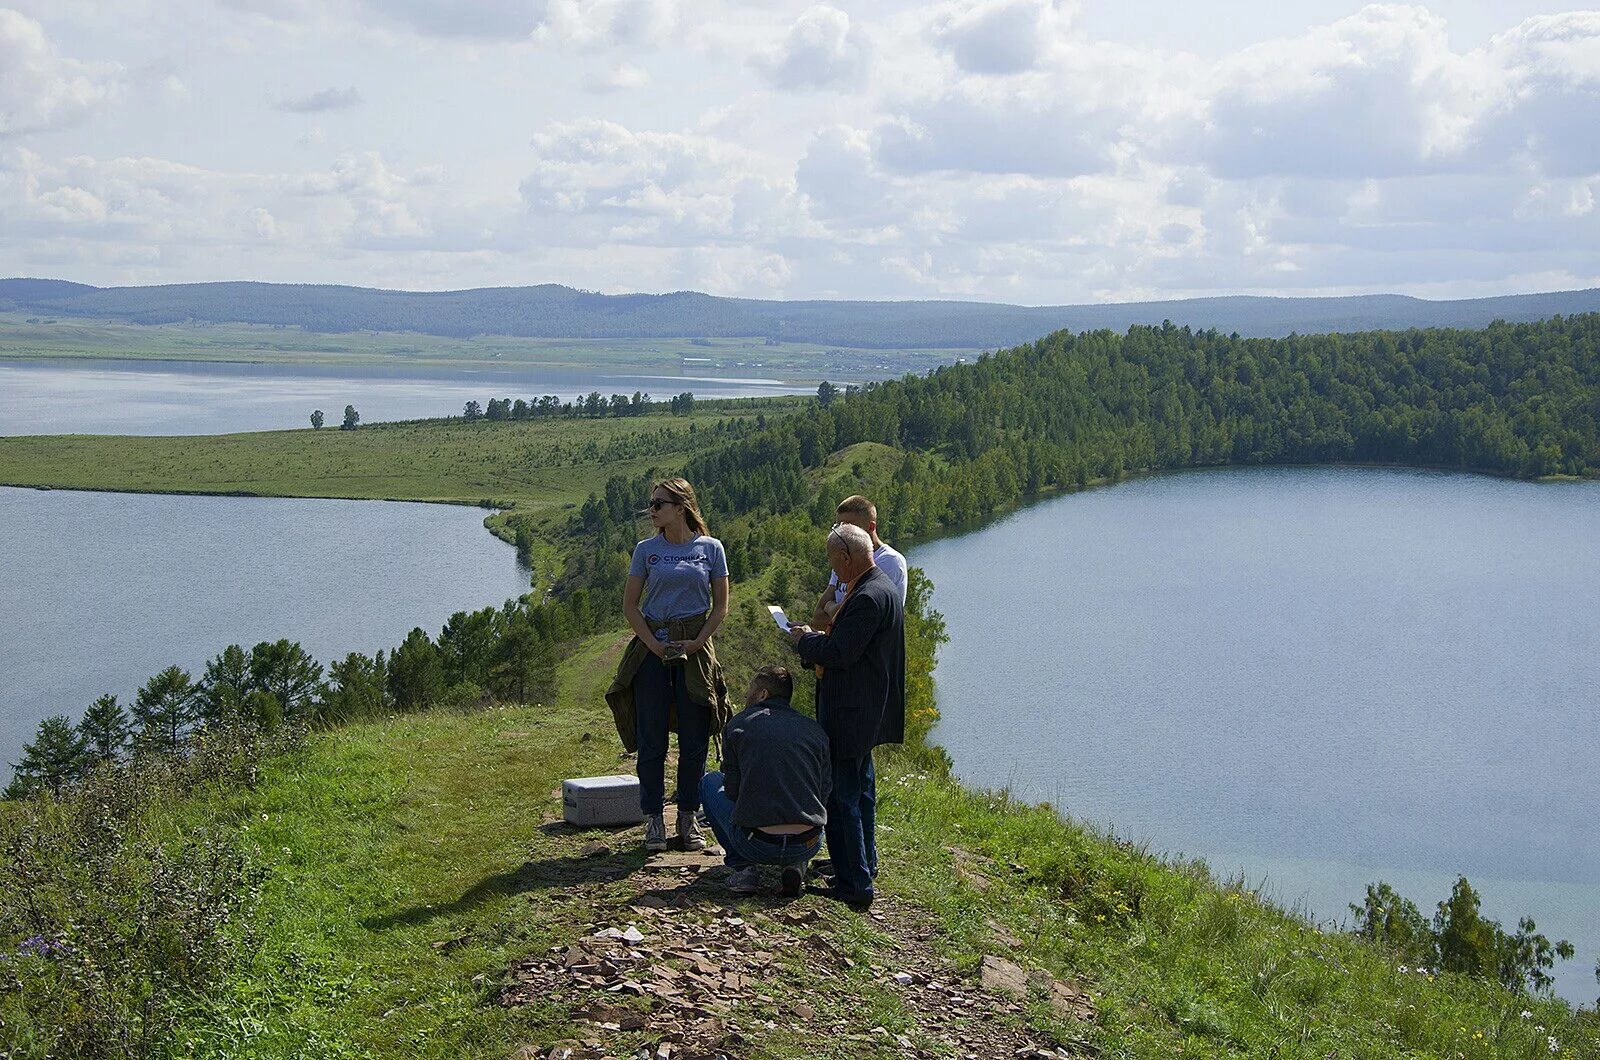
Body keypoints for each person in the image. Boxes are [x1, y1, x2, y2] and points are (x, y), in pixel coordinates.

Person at [605, 477, 730, 854]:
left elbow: (721, 606)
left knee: (695, 738)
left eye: (659, 504)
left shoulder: (711, 548)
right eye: (651, 504)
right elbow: (630, 606)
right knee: (651, 739)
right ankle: (653, 820)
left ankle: (688, 818)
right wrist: (654, 645)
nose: (652, 510)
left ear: (681, 507)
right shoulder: (646, 550)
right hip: (652, 650)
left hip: (695, 650)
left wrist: (697, 642)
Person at [788, 522, 905, 909]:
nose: (833, 571)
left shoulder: (867, 597)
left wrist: (804, 641)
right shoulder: (880, 588)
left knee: (842, 797)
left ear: (846, 556)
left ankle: (853, 884)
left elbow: (840, 654)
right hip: (866, 709)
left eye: (833, 562)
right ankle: (861, 866)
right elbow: (848, 646)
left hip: (850, 712)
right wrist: (818, 640)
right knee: (860, 790)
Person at [698, 665, 830, 898]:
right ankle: (796, 865)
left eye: (751, 688)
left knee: (709, 781)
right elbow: (824, 790)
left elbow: (732, 790)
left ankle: (743, 871)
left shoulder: (738, 725)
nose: (746, 694)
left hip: (757, 843)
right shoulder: (814, 730)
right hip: (808, 841)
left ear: (762, 695)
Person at [809, 495, 907, 631]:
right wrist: (837, 611)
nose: (841, 533)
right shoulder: (845, 558)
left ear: (871, 527)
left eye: (849, 527)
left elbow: (860, 621)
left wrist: (829, 606)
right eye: (839, 526)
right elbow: (817, 620)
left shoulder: (889, 562)